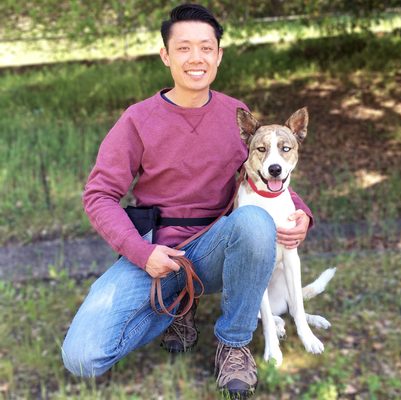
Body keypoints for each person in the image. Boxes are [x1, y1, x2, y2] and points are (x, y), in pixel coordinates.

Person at [61, 3, 313, 398]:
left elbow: (265, 170)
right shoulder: (138, 119)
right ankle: (177, 305)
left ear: (218, 55)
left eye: (206, 47)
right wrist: (140, 254)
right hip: (156, 252)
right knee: (83, 358)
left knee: (254, 223)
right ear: (165, 55)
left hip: (218, 245)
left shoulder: (236, 114)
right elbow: (99, 195)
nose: (196, 58)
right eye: (183, 48)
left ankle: (233, 342)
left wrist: (303, 214)